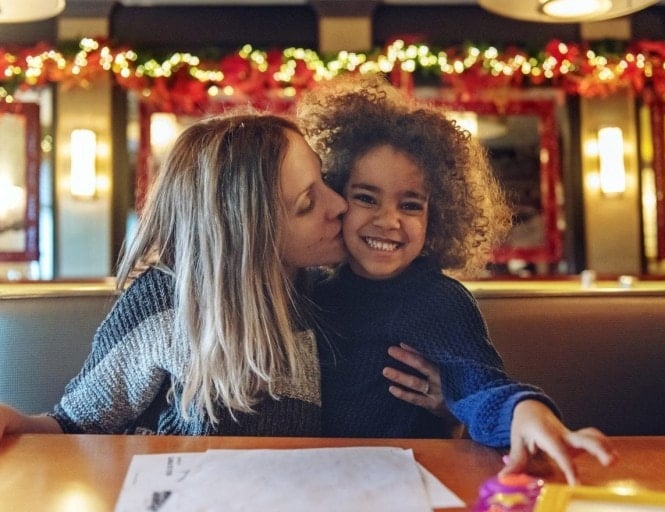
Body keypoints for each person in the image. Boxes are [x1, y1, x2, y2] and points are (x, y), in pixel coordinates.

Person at [0, 109, 443, 438]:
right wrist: (16, 422)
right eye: (308, 203)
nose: (340, 206)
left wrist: (449, 404)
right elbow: (78, 423)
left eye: (325, 182)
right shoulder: (168, 301)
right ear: (247, 233)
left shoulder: (328, 292)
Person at [297, 74, 616, 484]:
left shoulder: (438, 301)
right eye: (366, 197)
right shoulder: (313, 291)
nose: (388, 220)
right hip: (317, 482)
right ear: (336, 197)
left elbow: (480, 387)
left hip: (410, 483)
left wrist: (526, 414)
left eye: (410, 205)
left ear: (438, 217)